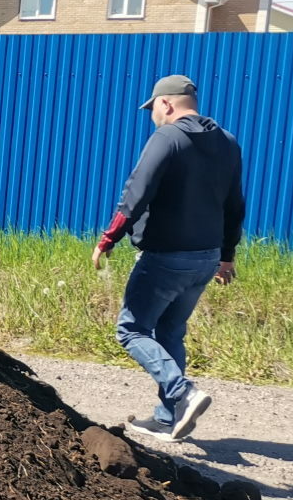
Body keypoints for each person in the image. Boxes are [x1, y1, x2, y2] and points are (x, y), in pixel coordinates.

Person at [92, 74, 244, 442]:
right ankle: (167, 418)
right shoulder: (227, 142)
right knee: (171, 330)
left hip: (166, 258)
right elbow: (234, 204)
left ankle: (182, 393)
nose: (153, 116)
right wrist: (227, 256)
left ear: (166, 104)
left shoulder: (168, 138)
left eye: (153, 109)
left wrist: (109, 238)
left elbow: (137, 190)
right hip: (205, 259)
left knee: (130, 330)